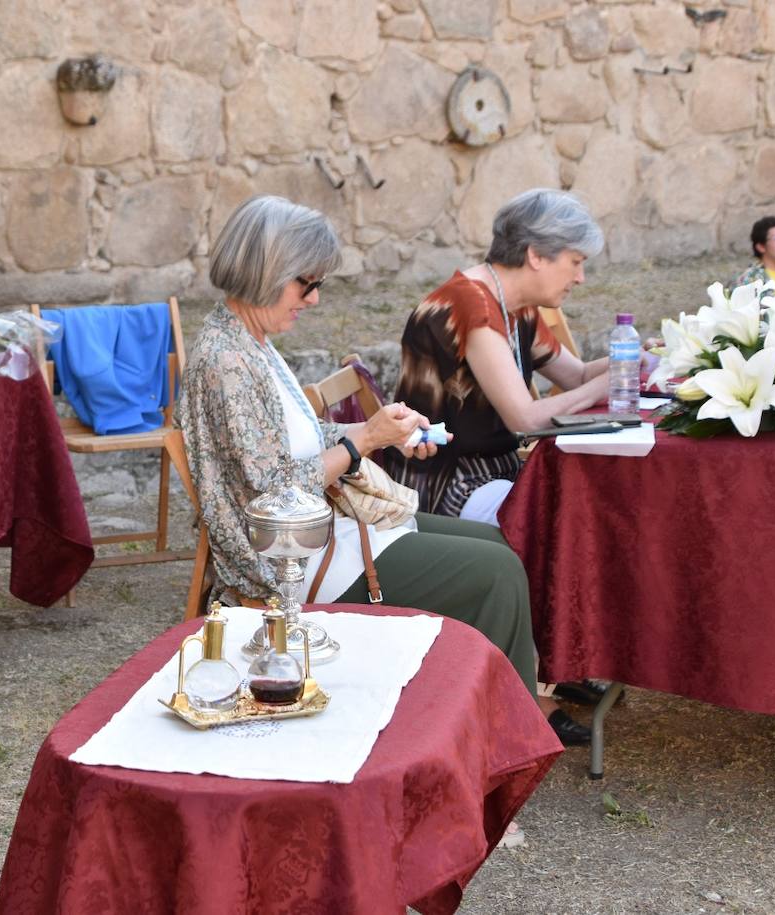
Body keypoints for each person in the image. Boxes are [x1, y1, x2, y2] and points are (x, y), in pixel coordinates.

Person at [175, 194, 590, 751]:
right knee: (495, 571)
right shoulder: (226, 361)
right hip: (286, 557)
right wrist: (365, 440)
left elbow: (296, 441)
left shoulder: (249, 343)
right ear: (267, 271)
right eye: (307, 284)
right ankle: (501, 744)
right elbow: (272, 495)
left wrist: (380, 429)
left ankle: (491, 726)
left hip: (321, 528)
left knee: (501, 543)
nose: (315, 298)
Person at [383, 188, 609, 527]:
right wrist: (609, 385)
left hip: (494, 471)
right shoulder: (470, 303)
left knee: (592, 501)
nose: (580, 277)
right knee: (577, 520)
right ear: (536, 256)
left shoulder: (516, 305)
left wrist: (635, 362)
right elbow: (526, 419)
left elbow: (576, 376)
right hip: (445, 485)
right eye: (575, 262)